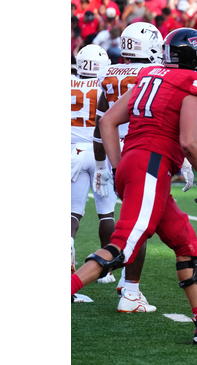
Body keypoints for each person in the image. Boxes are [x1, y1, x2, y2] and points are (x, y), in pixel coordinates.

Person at [72, 28, 197, 344]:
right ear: (194, 56)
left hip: (135, 164)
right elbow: (190, 142)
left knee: (186, 244)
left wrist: (116, 165)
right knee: (122, 247)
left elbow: (107, 121)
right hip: (150, 168)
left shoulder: (150, 74)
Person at [91, 22, 168, 312]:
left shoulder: (109, 72)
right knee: (139, 224)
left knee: (134, 220)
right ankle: (129, 290)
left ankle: (126, 283)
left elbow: (103, 121)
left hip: (116, 155)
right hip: (144, 150)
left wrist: (104, 166)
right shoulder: (153, 73)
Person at [71, 45, 114, 303]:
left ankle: (68, 253)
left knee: (72, 212)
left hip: (71, 151)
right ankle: (104, 270)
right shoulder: (107, 85)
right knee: (106, 211)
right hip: (100, 150)